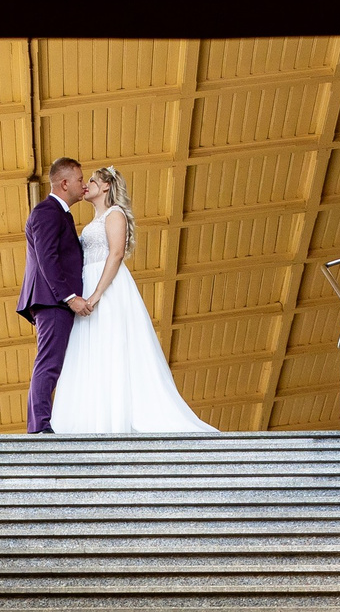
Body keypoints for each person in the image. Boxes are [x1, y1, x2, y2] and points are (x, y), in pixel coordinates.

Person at [48, 165, 215, 435]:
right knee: (90, 351)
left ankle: (118, 417)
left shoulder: (115, 215)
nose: (87, 184)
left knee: (112, 346)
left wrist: (97, 294)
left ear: (106, 186)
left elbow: (115, 255)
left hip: (107, 288)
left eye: (92, 180)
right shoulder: (93, 223)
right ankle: (93, 418)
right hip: (89, 284)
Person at [15, 157, 87, 433]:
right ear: (65, 182)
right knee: (49, 362)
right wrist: (69, 297)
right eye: (80, 179)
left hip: (54, 301)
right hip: (52, 301)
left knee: (55, 361)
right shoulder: (47, 211)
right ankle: (39, 427)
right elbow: (47, 258)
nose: (83, 184)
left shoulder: (61, 214)